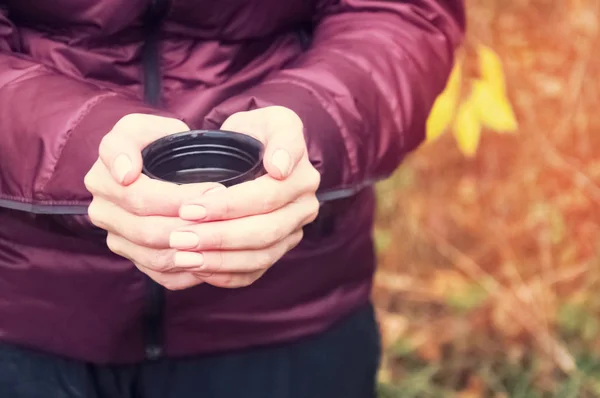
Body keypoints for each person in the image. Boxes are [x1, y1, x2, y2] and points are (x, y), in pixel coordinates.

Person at [0, 0, 464, 397]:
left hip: (290, 303)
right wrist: (79, 144)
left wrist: (311, 120)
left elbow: (401, 13)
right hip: (24, 310)